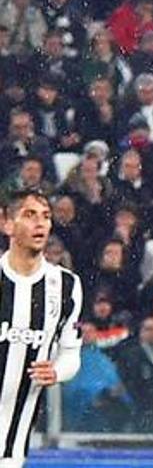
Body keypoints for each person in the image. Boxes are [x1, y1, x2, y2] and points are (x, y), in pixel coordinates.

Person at [0, 189, 85, 464]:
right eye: (29, 215)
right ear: (6, 224)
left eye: (46, 216)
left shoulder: (66, 286)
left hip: (12, 447)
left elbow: (71, 354)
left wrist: (56, 370)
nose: (40, 223)